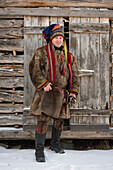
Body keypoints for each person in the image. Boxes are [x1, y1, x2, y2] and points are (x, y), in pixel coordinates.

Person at [29, 24, 79, 162]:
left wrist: (73, 91)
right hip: (47, 91)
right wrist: (43, 83)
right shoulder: (41, 52)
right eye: (56, 37)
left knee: (59, 120)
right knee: (43, 120)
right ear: (51, 39)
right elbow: (35, 70)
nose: (58, 40)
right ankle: (39, 150)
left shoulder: (69, 56)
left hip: (62, 93)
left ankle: (55, 145)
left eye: (60, 38)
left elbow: (75, 75)